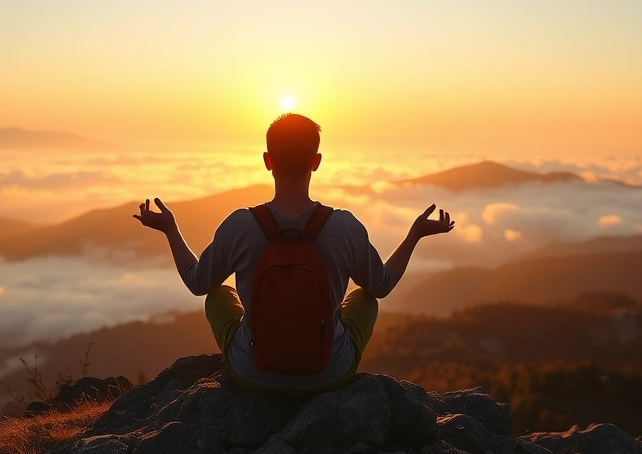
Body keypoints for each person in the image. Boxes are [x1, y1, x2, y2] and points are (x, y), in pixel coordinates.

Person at [133, 113, 454, 394]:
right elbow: (381, 285)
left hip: (252, 374)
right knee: (366, 299)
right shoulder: (345, 227)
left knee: (217, 295)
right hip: (328, 375)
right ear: (316, 162)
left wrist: (170, 229)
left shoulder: (240, 225)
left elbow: (197, 282)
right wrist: (415, 234)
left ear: (267, 160)